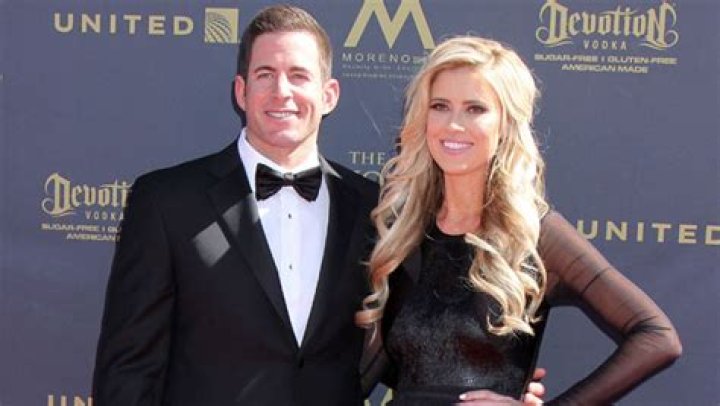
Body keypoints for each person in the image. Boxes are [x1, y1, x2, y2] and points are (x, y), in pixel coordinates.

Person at [92, 5, 546, 406]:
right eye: (265, 74)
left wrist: (501, 380)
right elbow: (128, 368)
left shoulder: (375, 210)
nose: (282, 92)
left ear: (329, 95)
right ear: (241, 91)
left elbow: (407, 347)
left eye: (299, 76)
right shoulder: (167, 201)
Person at [356, 36, 682, 405]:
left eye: (475, 109)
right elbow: (369, 370)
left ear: (506, 124)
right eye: (440, 106)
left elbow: (657, 337)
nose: (454, 124)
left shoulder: (536, 234)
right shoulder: (402, 231)